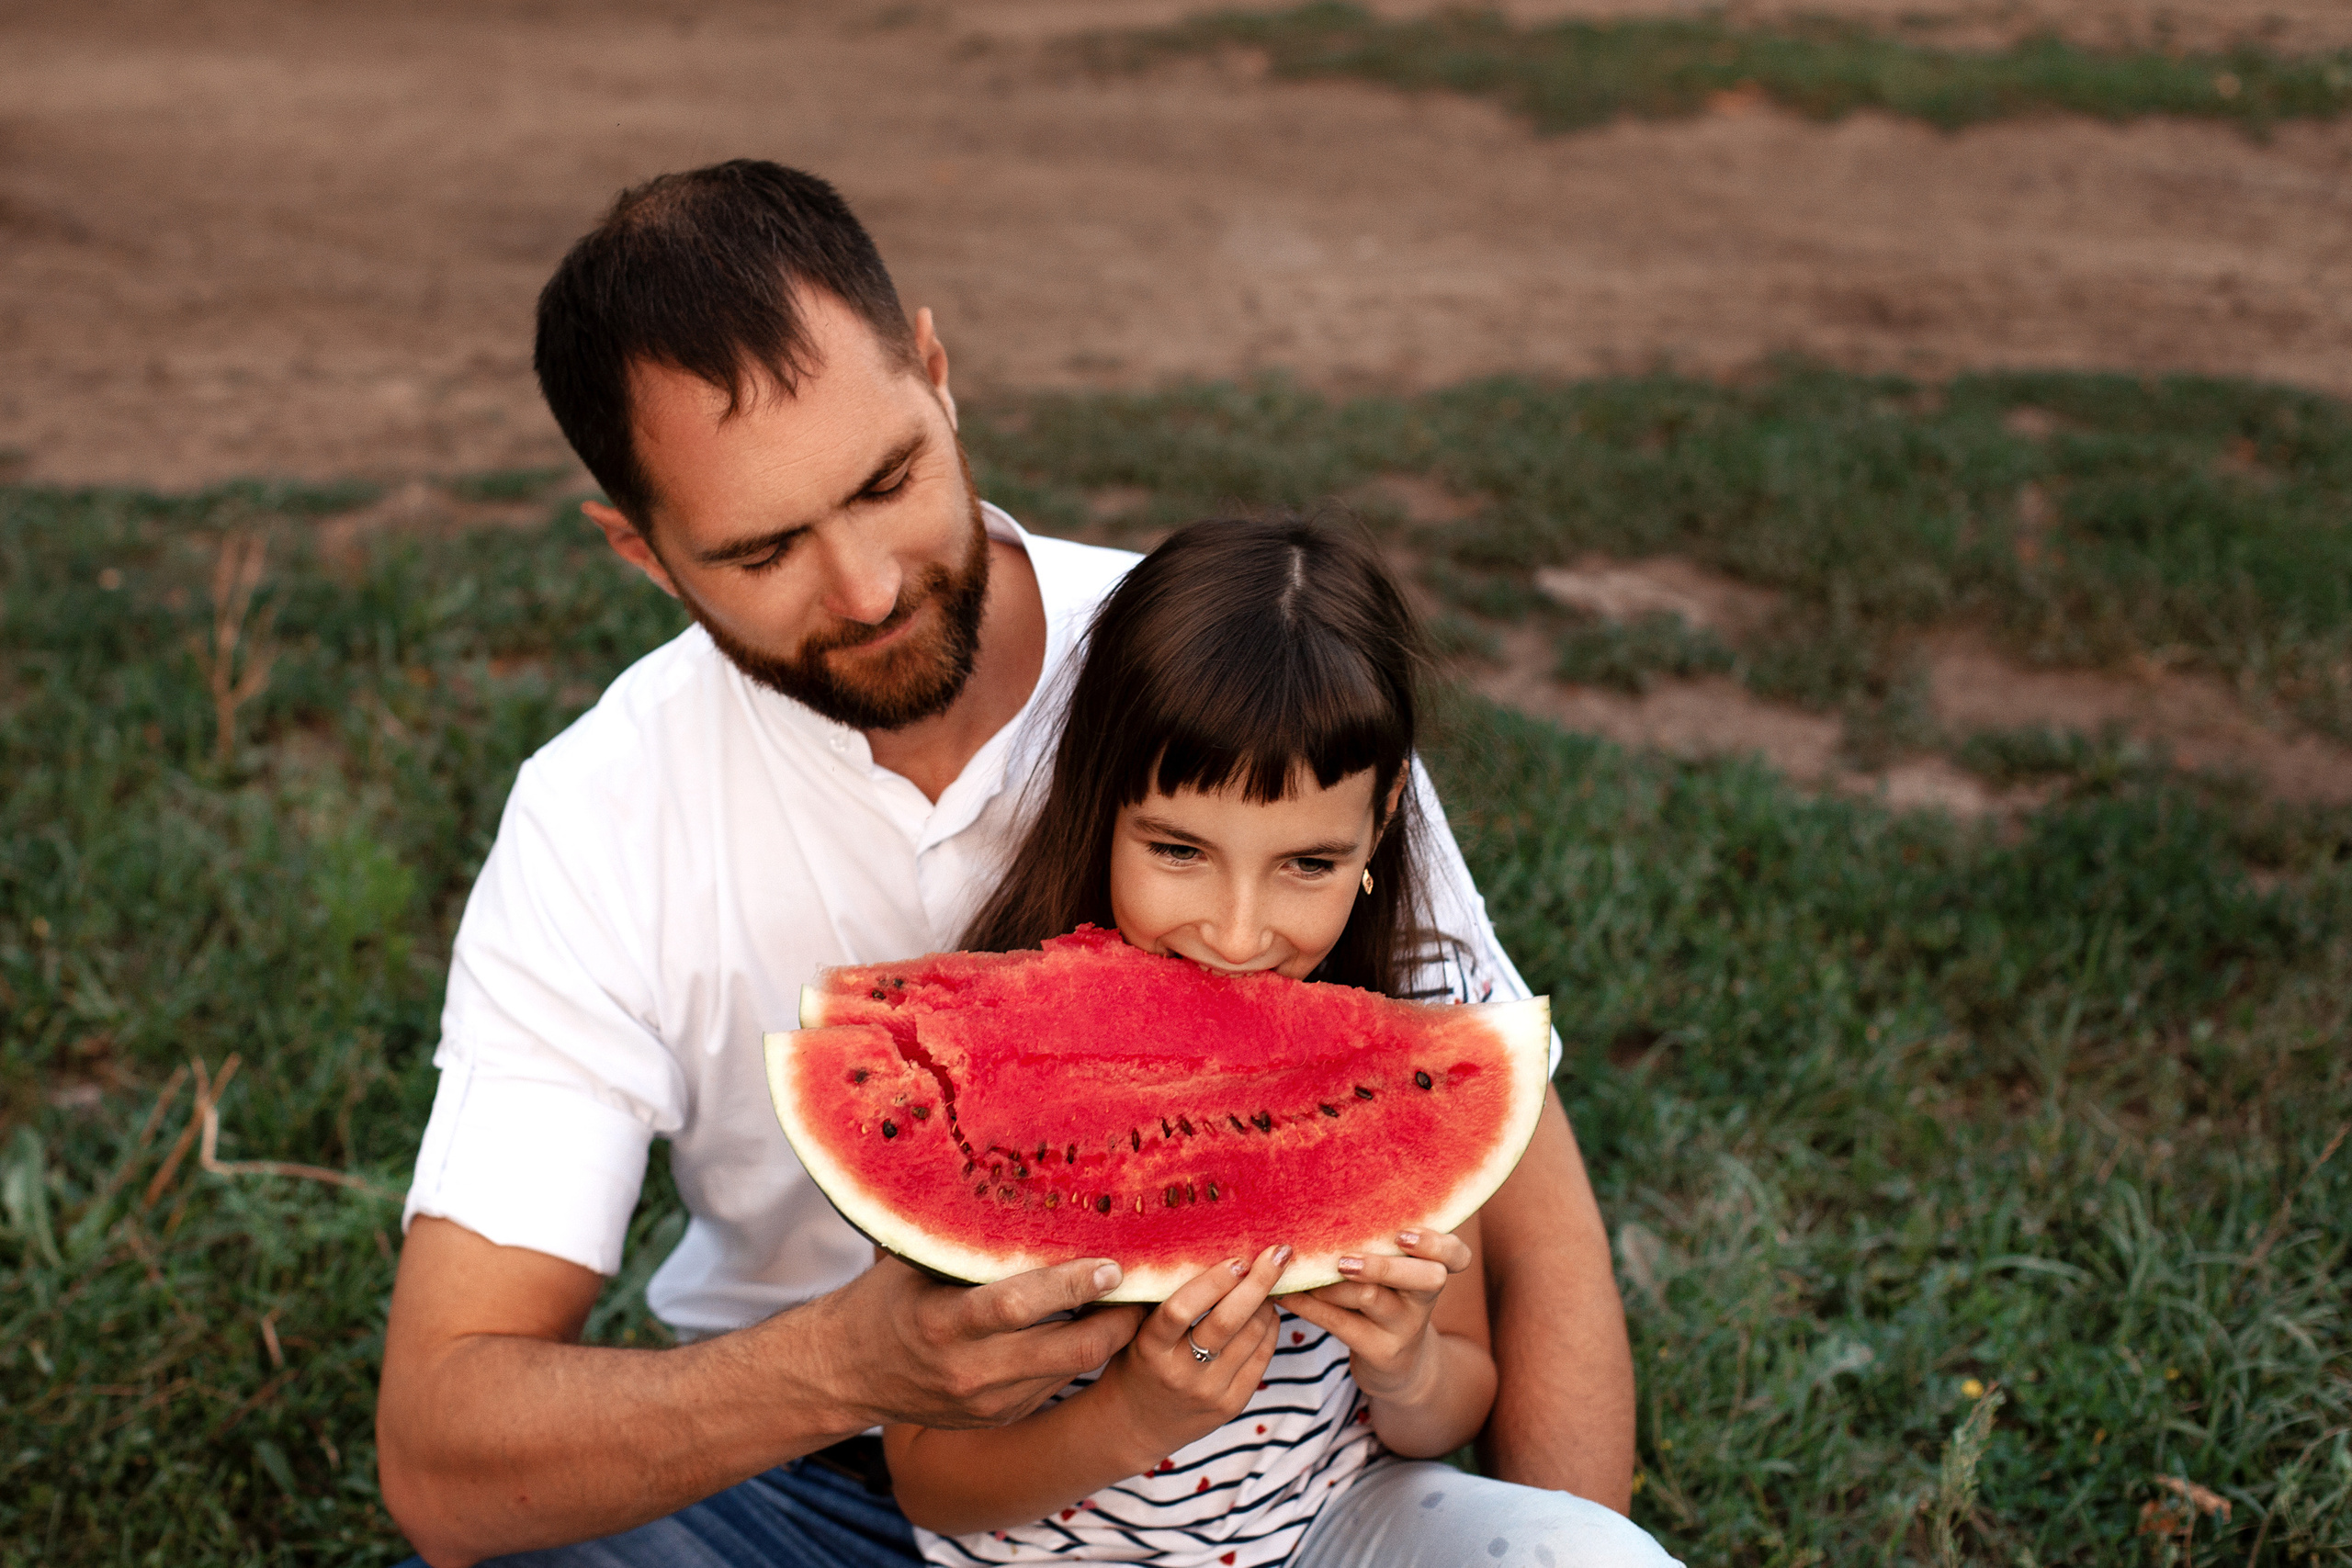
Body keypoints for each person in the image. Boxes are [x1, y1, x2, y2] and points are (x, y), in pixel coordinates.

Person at [375, 159, 1635, 1568]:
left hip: (1287, 1497)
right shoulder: (595, 816)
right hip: (817, 1470)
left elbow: (1512, 1170)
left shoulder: (1216, 683)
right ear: (645, 555)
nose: (862, 587)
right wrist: (847, 1369)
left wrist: (1563, 1530)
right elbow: (443, 1446)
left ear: (936, 369)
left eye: (888, 479)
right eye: (762, 547)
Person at [887, 516, 1674, 1568]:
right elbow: (930, 1480)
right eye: (1178, 850)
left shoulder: (1418, 1029)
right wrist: (1134, 1415)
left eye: (1306, 863)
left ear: (1384, 816)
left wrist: (1405, 1369)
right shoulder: (980, 1049)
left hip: (1335, 1530)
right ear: (1099, 789)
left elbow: (1455, 1393)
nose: (1237, 933)